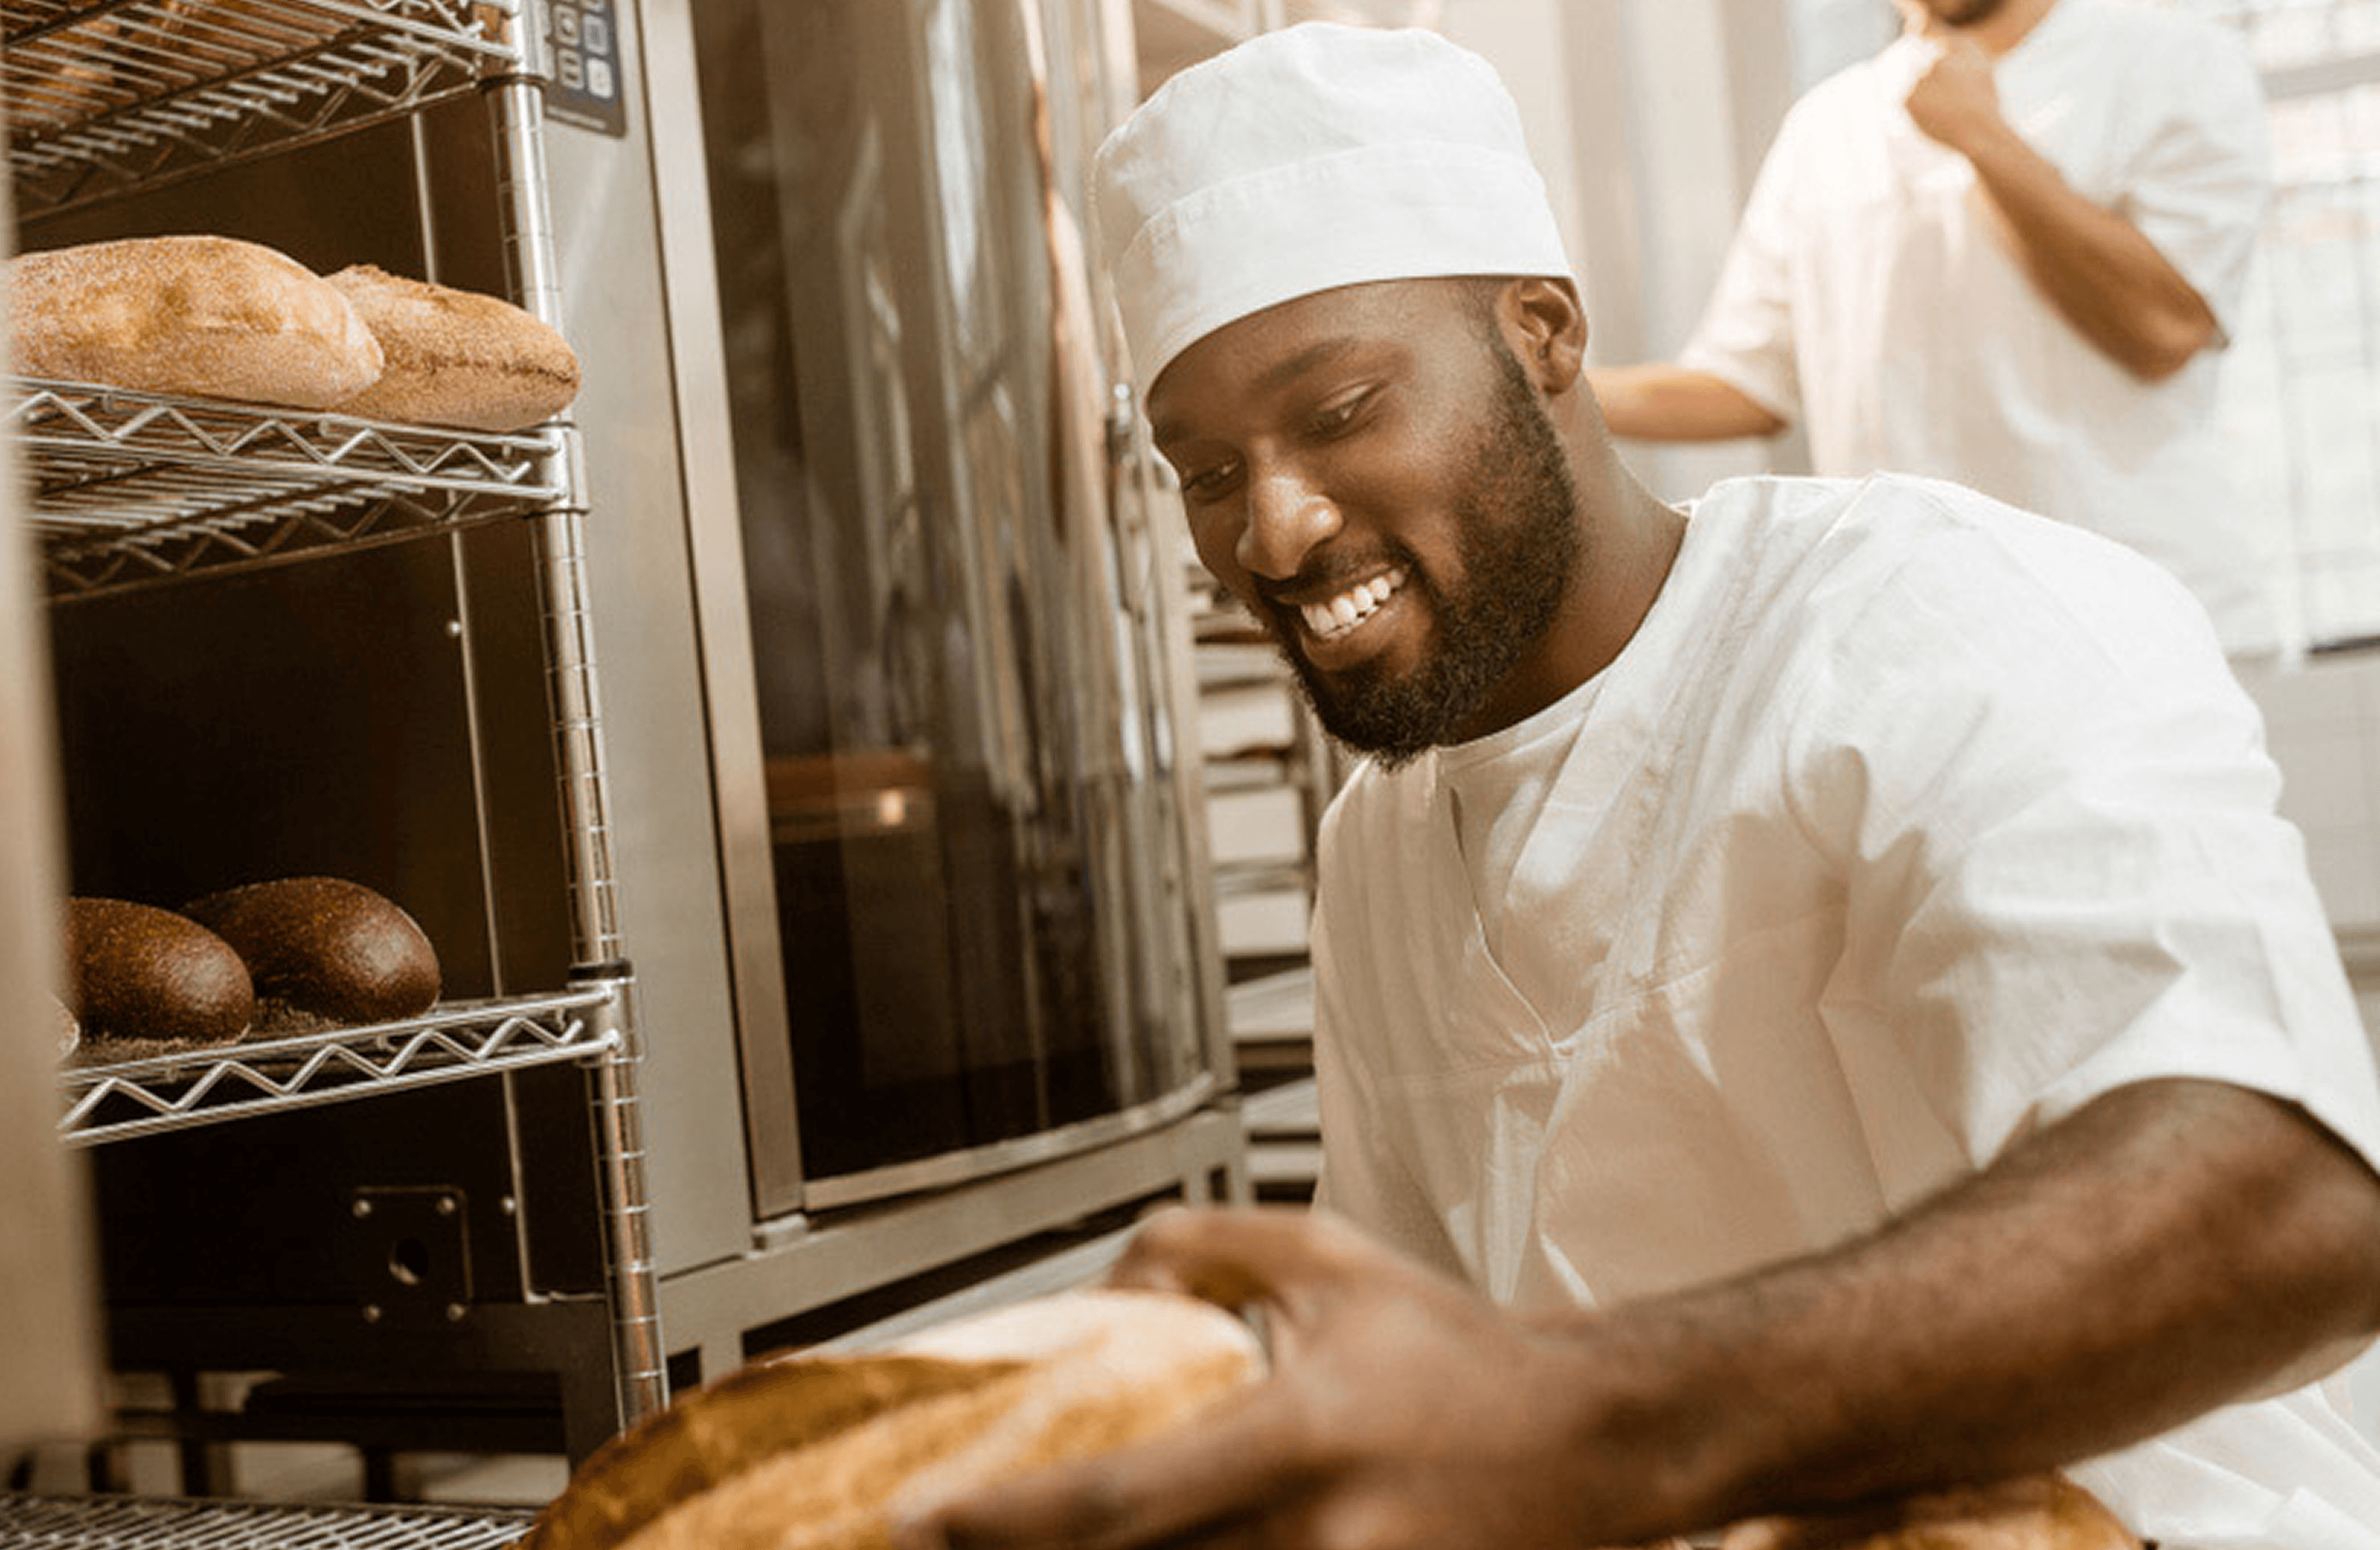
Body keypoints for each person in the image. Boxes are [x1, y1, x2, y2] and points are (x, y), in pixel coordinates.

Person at [894, 22, 2380, 1550]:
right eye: (1207, 470)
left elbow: (2284, 1204)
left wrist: (1596, 1420)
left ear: (1544, 332)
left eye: (1341, 413)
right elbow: (1424, 1394)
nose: (1270, 529)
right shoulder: (1383, 850)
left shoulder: (1943, 623)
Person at [1590, 0, 2280, 657]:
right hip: (1916, 638)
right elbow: (1748, 384)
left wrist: (1982, 135)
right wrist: (1539, 387)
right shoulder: (1825, 125)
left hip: (2137, 622)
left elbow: (2163, 329)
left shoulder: (2175, 64)